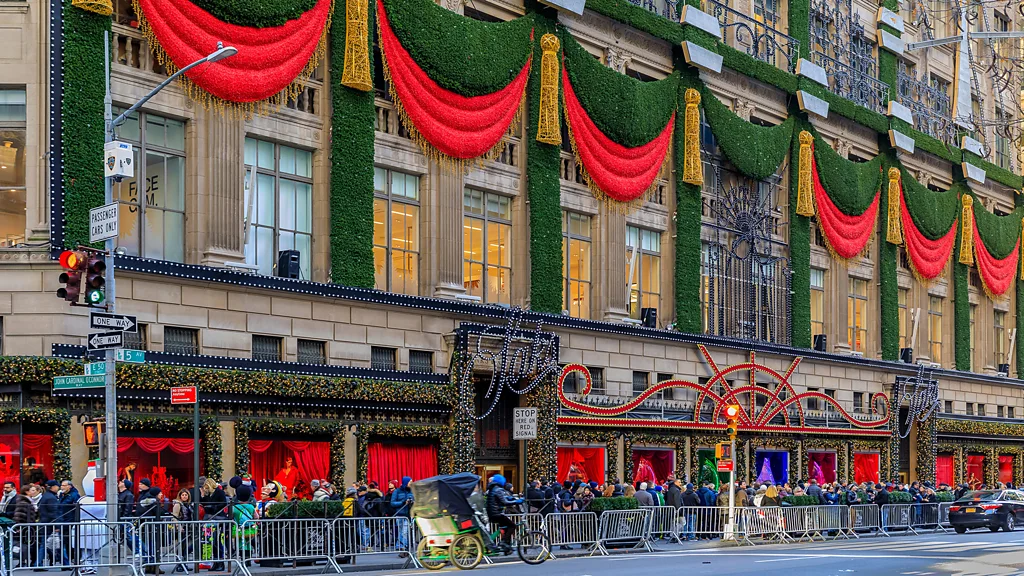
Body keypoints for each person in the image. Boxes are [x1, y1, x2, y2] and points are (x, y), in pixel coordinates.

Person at [485, 474, 521, 553]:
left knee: (505, 527)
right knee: (512, 526)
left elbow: (502, 498)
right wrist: (517, 501)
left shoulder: (493, 488)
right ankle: (503, 543)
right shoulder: (498, 489)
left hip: (492, 513)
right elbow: (505, 502)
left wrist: (510, 498)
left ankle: (506, 547)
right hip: (497, 513)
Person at [390, 477, 414, 555]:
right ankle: (401, 546)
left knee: (405, 531)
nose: (411, 483)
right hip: (400, 514)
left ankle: (403, 547)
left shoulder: (412, 491)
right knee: (401, 531)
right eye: (410, 482)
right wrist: (403, 502)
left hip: (408, 514)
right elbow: (393, 503)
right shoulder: (397, 491)